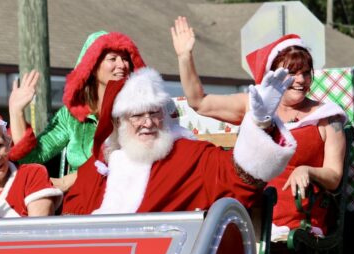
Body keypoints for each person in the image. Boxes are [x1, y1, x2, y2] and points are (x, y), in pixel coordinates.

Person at [170, 16, 346, 239]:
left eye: (306, 72)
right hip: (250, 210)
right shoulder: (254, 105)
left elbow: (334, 176)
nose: (301, 80)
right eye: (291, 73)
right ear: (272, 74)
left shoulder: (327, 117)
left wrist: (308, 170)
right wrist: (185, 56)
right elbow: (199, 102)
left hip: (299, 220)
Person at [62, 67, 296, 214]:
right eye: (137, 115)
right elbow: (71, 223)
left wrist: (261, 124)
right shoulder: (100, 170)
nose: (148, 122)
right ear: (119, 122)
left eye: (154, 113)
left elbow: (241, 179)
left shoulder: (191, 156)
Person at [8, 31, 146, 192]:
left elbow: (131, 162)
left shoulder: (140, 112)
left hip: (124, 199)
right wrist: (16, 111)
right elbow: (32, 157)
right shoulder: (71, 116)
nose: (122, 65)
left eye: (125, 59)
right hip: (79, 206)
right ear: (92, 66)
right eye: (113, 58)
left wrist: (68, 181)